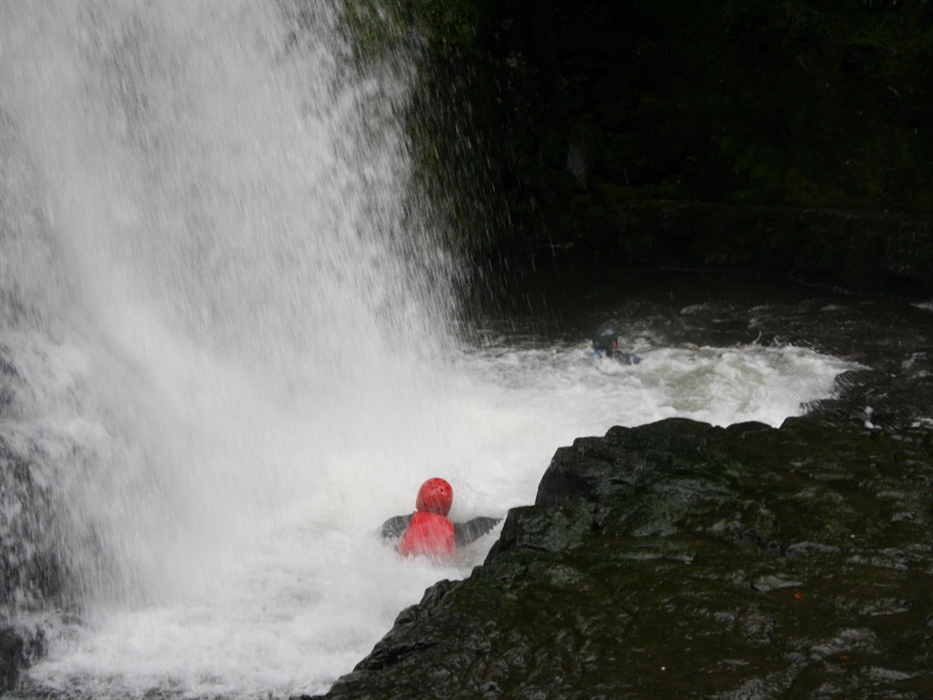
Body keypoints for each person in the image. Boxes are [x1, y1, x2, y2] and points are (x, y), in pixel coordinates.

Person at [380, 478, 501, 558]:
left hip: (405, 570)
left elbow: (377, 541)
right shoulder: (455, 531)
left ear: (420, 498)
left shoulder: (399, 522)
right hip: (443, 574)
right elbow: (480, 524)